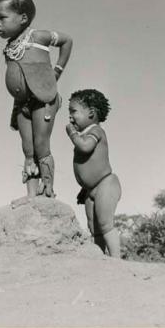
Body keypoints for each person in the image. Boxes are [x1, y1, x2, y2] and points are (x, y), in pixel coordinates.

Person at [0, 0, 73, 198]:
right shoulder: (10, 46)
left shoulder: (37, 36)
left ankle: (47, 193)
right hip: (21, 104)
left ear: (23, 18)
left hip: (43, 100)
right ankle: (31, 198)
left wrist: (57, 72)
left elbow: (67, 41)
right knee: (28, 150)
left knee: (41, 146)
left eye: (2, 17)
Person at [66, 89, 121, 257]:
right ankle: (101, 259)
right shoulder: (85, 133)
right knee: (94, 227)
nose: (70, 117)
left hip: (106, 184)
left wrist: (72, 134)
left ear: (90, 113)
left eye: (73, 111)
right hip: (90, 190)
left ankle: (116, 259)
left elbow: (85, 147)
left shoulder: (96, 130)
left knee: (105, 224)